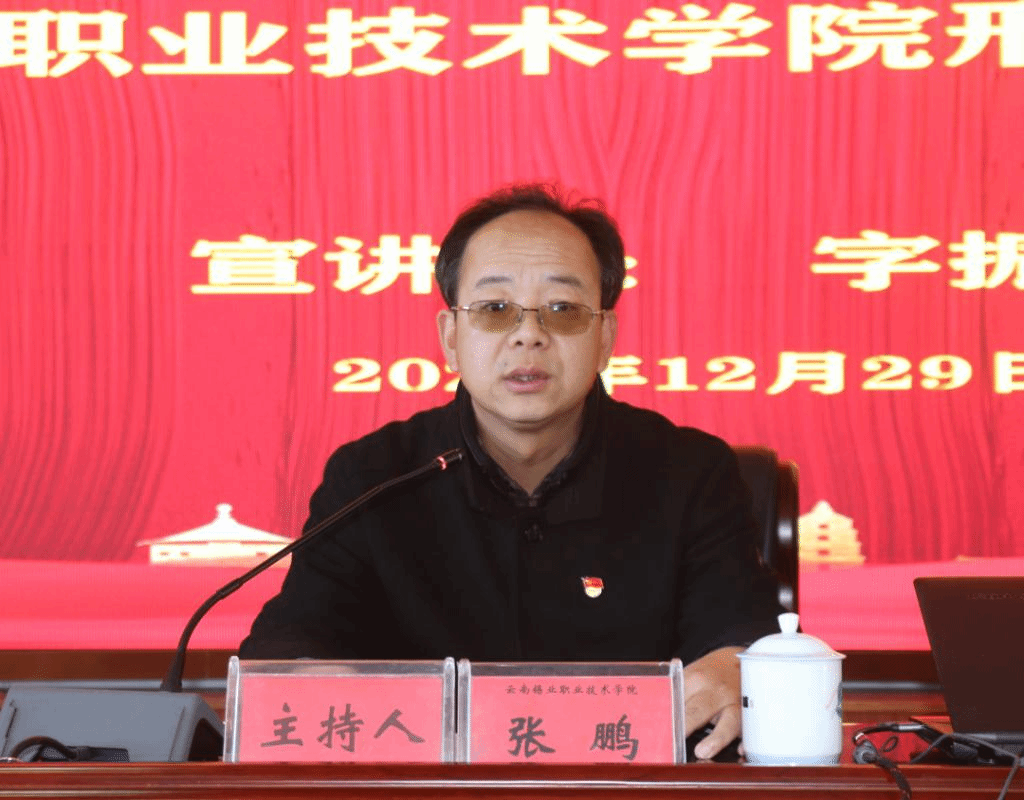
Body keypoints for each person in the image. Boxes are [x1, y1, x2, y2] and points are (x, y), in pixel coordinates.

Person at [240, 184, 785, 759]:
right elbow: (293, 639)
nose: (529, 334)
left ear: (605, 338)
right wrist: (304, 676)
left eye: (563, 310)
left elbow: (740, 634)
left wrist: (740, 668)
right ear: (451, 337)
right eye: (495, 310)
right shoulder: (373, 477)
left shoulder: (690, 474)